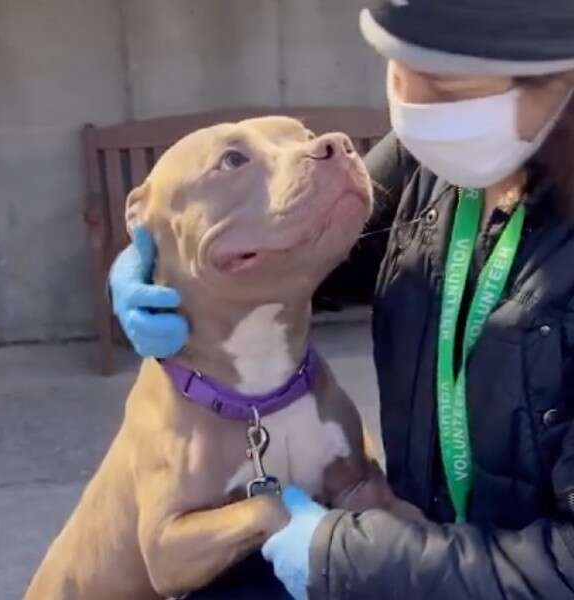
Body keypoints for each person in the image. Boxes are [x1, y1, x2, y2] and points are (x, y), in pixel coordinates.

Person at [108, 1, 574, 598]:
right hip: (415, 547)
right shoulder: (432, 164)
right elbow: (304, 241)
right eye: (397, 66)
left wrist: (339, 553)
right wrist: (163, 264)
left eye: (452, 85)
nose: (411, 101)